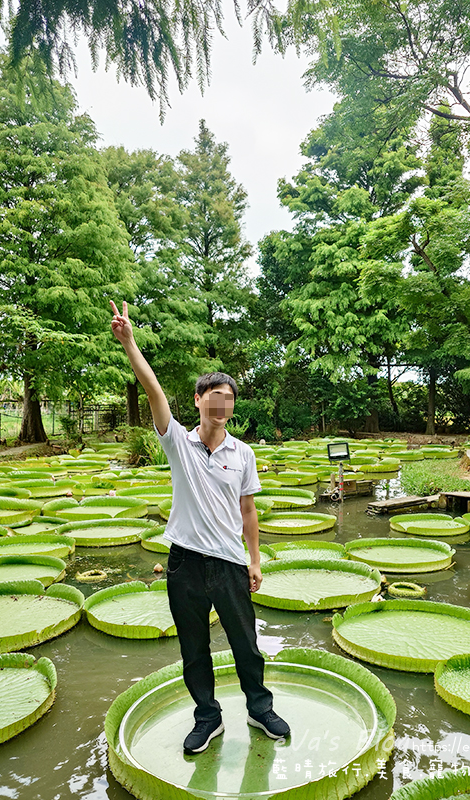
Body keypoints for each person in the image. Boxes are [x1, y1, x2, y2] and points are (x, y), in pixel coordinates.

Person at [109, 300, 290, 755]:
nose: (222, 404)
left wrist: (255, 559)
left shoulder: (243, 454)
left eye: (228, 398)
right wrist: (130, 343)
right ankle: (207, 718)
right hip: (184, 563)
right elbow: (153, 392)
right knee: (194, 649)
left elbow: (248, 510)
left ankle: (259, 707)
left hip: (230, 562)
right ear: (198, 400)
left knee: (246, 644)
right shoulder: (178, 444)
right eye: (214, 397)